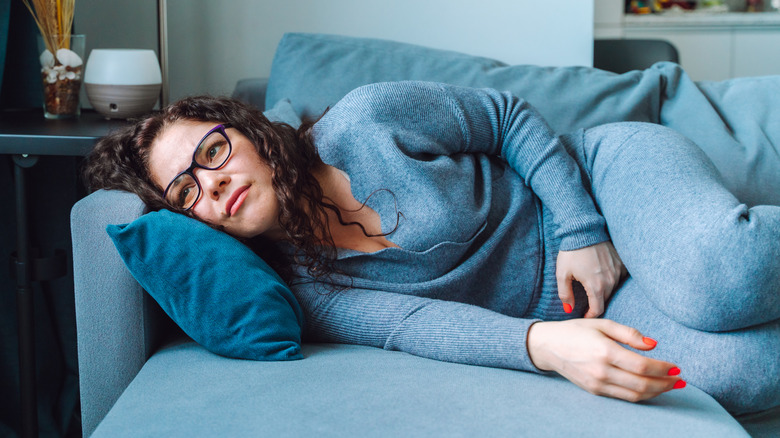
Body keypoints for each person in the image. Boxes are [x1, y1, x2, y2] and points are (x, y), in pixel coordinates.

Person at [83, 81, 780, 415]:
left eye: (213, 150)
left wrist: (582, 230)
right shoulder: (313, 290)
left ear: (249, 133)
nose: (213, 184)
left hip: (605, 182)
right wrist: (548, 345)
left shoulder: (366, 120)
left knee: (724, 273)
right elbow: (418, 327)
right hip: (591, 302)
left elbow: (506, 118)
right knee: (736, 371)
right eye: (185, 194)